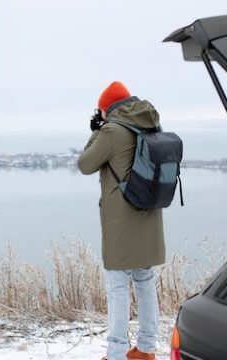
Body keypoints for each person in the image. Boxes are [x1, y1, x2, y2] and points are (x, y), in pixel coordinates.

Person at [78, 82, 164, 360]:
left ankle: (115, 353)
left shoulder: (113, 130)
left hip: (121, 219)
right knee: (145, 280)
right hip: (148, 214)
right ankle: (147, 349)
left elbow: (85, 164)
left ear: (107, 108)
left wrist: (96, 131)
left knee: (117, 286)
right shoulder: (150, 124)